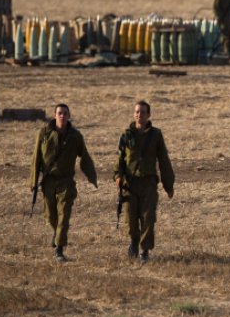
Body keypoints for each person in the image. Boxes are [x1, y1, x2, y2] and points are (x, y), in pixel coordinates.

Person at [30, 103, 98, 262]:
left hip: (66, 181)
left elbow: (85, 157)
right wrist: (33, 181)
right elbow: (36, 158)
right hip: (48, 181)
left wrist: (92, 177)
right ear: (54, 115)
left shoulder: (75, 136)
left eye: (65, 113)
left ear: (69, 115)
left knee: (64, 214)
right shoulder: (44, 133)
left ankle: (59, 249)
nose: (62, 116)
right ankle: (56, 233)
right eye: (59, 113)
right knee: (51, 216)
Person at [114, 101, 175, 263]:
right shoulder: (126, 135)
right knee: (130, 218)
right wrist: (118, 176)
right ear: (134, 114)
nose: (139, 114)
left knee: (148, 218)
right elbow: (120, 158)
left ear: (148, 115)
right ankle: (134, 241)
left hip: (148, 183)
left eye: (142, 112)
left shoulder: (156, 135)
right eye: (137, 112)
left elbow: (164, 161)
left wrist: (168, 185)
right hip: (130, 184)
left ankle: (145, 250)